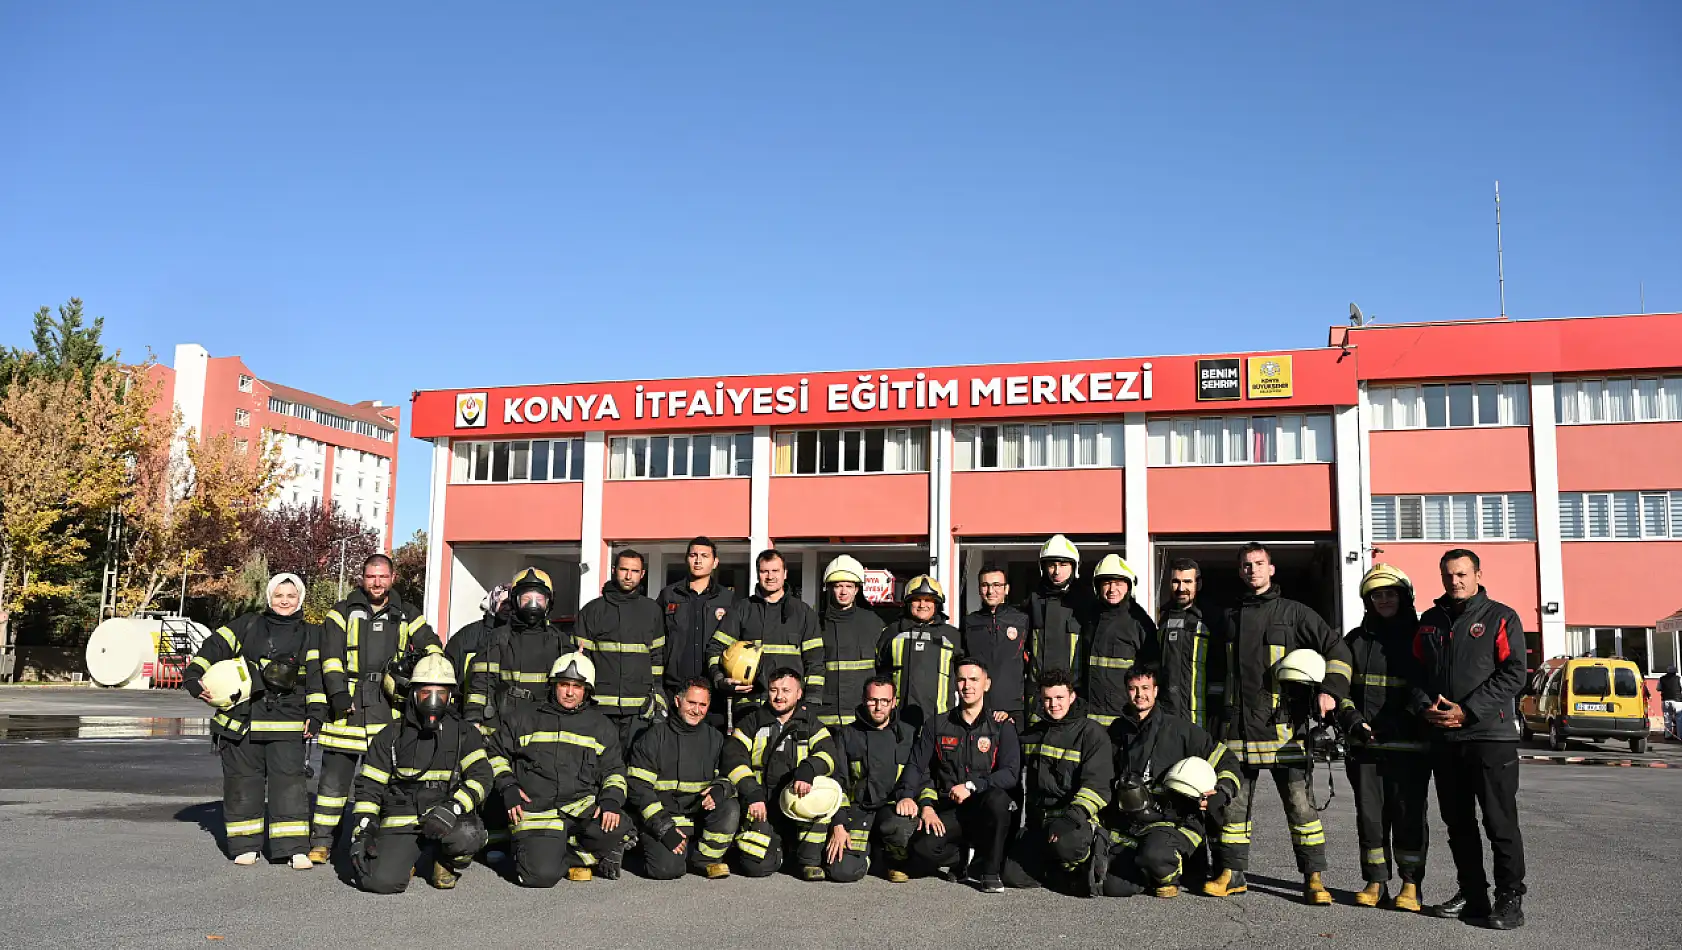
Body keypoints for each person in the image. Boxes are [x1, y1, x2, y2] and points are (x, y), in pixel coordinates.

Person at [1204, 542, 1351, 905]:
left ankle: (1313, 878)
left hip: (1286, 731)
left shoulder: (1296, 614)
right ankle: (1232, 873)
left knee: (1301, 808)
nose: (1252, 570)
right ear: (1240, 571)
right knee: (1234, 808)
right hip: (1237, 732)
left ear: (1272, 569)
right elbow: (1215, 676)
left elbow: (1338, 650)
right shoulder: (1228, 618)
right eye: (1246, 565)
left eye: (1259, 563)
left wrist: (1330, 690)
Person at [1410, 549, 1529, 930]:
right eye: (1448, 575)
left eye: (1462, 574)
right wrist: (1424, 706)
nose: (1455, 581)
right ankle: (1473, 894)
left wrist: (1468, 709)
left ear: (1478, 574)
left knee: (1499, 822)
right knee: (1458, 822)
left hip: (1490, 737)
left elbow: (1514, 674)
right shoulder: (1429, 622)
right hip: (1445, 740)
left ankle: (1510, 899)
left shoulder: (1501, 617)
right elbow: (1415, 674)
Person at [184, 572, 323, 868]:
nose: (284, 601)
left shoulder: (312, 633)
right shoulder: (248, 624)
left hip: (288, 722)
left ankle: (294, 848)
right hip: (243, 721)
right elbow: (214, 646)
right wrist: (194, 676)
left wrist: (316, 713)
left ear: (300, 599)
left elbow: (316, 679)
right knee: (242, 784)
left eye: (290, 596)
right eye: (278, 595)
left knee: (289, 786)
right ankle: (246, 845)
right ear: (269, 597)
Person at [312, 554, 442, 864]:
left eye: (383, 576)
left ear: (393, 578)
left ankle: (380, 840)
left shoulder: (408, 614)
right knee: (333, 782)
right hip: (348, 707)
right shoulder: (340, 612)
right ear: (362, 577)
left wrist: (418, 677)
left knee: (385, 780)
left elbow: (433, 646)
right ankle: (321, 842)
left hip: (389, 706)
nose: (377, 582)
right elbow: (330, 658)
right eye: (371, 576)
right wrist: (339, 694)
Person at [348, 655, 495, 892]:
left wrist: (454, 807)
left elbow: (482, 777)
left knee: (469, 834)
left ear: (451, 696)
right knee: (378, 881)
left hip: (447, 817)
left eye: (441, 693)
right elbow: (369, 787)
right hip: (403, 818)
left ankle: (446, 861)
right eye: (427, 692)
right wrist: (363, 830)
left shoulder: (464, 734)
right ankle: (407, 858)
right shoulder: (391, 735)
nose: (434, 700)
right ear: (414, 693)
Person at [1337, 564, 1432, 912]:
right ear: (1368, 601)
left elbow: (1429, 685)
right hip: (1366, 746)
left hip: (1409, 746)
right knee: (1370, 818)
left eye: (1390, 593)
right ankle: (1375, 881)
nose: (1384, 600)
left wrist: (1401, 720)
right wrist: (1350, 718)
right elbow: (1339, 687)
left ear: (1404, 596)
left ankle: (1410, 886)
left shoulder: (1423, 637)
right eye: (1377, 595)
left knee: (1409, 816)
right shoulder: (1355, 641)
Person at [492, 652, 631, 885]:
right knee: (540, 877)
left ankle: (569, 853)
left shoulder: (601, 726)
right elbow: (494, 754)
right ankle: (544, 853)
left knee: (620, 826)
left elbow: (614, 770)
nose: (569, 692)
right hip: (538, 810)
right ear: (553, 685)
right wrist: (508, 787)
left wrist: (611, 800)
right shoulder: (524, 719)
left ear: (587, 690)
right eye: (564, 684)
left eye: (577, 686)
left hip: (579, 807)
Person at [1102, 664, 1240, 898]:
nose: (1139, 695)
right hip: (1130, 821)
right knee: (1109, 882)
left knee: (1154, 857)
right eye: (1133, 689)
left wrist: (1222, 791)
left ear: (1156, 691)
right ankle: (1150, 868)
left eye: (1145, 688)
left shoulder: (1179, 729)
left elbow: (1225, 758)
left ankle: (1176, 868)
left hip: (1175, 820)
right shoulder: (1117, 731)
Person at [468, 567, 573, 856]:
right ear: (515, 600)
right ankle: (498, 839)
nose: (533, 604)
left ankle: (532, 839)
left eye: (539, 598)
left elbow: (569, 689)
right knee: (498, 778)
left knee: (536, 779)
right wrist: (475, 719)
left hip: (543, 722)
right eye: (527, 597)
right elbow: (481, 681)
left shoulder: (561, 641)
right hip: (504, 718)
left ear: (549, 602)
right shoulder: (498, 638)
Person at [905, 658, 1020, 893]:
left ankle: (990, 872)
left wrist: (972, 785)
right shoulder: (937, 724)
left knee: (1000, 800)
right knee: (921, 848)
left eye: (974, 680)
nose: (967, 686)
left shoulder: (1001, 726)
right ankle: (961, 857)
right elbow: (916, 766)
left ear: (986, 684)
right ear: (955, 684)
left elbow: (1010, 774)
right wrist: (917, 801)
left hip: (985, 809)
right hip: (950, 809)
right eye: (961, 679)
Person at [719, 668, 842, 879]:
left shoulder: (810, 723)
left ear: (799, 693)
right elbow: (733, 758)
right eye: (774, 690)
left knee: (821, 799)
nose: (779, 696)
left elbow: (829, 754)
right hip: (762, 804)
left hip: (797, 800)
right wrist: (752, 794)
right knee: (756, 867)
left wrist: (808, 770)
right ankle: (779, 853)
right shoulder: (752, 721)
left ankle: (808, 861)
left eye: (786, 690)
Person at [1003, 670, 1114, 894]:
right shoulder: (1035, 733)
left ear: (1072, 697)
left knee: (1067, 845)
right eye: (1048, 699)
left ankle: (1084, 859)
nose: (1054, 705)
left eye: (1060, 698)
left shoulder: (1091, 733)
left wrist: (1071, 818)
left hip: (1074, 821)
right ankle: (1060, 875)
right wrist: (1002, 724)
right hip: (1040, 823)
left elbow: (1098, 785)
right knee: (1011, 875)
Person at [626, 677, 738, 880]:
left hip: (698, 817)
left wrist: (720, 788)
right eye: (691, 703)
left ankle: (703, 860)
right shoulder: (654, 737)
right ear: (678, 701)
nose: (697, 710)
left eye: (702, 705)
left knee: (730, 808)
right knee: (667, 870)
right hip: (663, 818)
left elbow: (731, 775)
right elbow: (638, 789)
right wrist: (664, 829)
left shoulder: (715, 739)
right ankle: (640, 847)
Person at [709, 549, 822, 724]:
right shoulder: (742, 609)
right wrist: (720, 679)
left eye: (775, 571)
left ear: (784, 574)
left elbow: (815, 662)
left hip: (791, 710)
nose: (770, 576)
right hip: (749, 707)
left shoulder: (803, 613)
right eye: (764, 571)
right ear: (758, 574)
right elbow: (715, 649)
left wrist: (811, 702)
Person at [825, 676, 919, 883]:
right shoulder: (847, 735)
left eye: (885, 701)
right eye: (872, 700)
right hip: (858, 812)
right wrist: (838, 824)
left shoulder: (908, 735)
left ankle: (893, 860)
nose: (878, 707)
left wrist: (923, 804)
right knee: (842, 872)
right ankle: (871, 858)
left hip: (891, 810)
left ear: (894, 702)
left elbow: (922, 776)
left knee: (900, 826)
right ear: (863, 699)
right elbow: (836, 782)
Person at [575, 549, 667, 749]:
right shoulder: (593, 610)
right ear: (614, 570)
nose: (628, 576)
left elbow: (657, 658)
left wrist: (657, 694)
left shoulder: (652, 611)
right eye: (624, 569)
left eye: (634, 571)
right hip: (600, 706)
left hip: (639, 708)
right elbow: (581, 661)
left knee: (634, 763)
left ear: (642, 574)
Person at [658, 537, 737, 716]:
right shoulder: (669, 595)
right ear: (686, 559)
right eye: (693, 555)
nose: (698, 560)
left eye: (704, 556)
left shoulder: (727, 598)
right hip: (675, 688)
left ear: (715, 562)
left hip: (713, 689)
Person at [1082, 555, 1157, 728]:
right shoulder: (1089, 619)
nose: (1111, 589)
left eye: (1118, 583)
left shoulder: (1140, 622)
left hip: (1125, 717)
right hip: (1090, 717)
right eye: (1106, 583)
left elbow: (1152, 670)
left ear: (1129, 586)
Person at [877, 575, 961, 729]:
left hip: (942, 721)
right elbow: (880, 673)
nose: (922, 604)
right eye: (917, 599)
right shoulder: (892, 632)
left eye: (929, 599)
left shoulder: (952, 635)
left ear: (937, 603)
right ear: (908, 603)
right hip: (898, 720)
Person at [814, 555, 885, 728]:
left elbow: (885, 667)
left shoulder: (873, 622)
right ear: (829, 589)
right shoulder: (815, 623)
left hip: (862, 716)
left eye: (849, 586)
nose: (843, 592)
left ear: (857, 589)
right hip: (824, 717)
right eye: (838, 586)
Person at [1155, 558, 1226, 732]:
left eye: (1187, 582)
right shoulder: (1163, 618)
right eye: (1175, 582)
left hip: (1204, 716)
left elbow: (1221, 667)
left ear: (1198, 584)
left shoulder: (1213, 618)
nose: (1181, 588)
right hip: (1168, 714)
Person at [960, 564, 1031, 728]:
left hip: (1013, 710)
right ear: (979, 589)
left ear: (1007, 589)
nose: (991, 591)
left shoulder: (1022, 620)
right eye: (985, 585)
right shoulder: (969, 622)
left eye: (997, 585)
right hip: (977, 708)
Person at [1026, 535, 1091, 704]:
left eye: (1063, 565)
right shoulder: (1032, 600)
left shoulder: (1086, 601)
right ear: (1043, 567)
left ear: (1074, 567)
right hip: (1039, 694)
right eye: (1051, 565)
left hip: (1074, 694)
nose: (1056, 571)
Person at [446, 584, 508, 713]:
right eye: (505, 603)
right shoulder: (465, 637)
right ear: (492, 602)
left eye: (513, 603)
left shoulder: (518, 637)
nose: (509, 608)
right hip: (468, 713)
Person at [1659, 668, 1682, 740]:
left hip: (1666, 701)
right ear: (1675, 672)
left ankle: (1668, 735)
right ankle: (1679, 736)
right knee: (1679, 719)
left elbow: (1658, 688)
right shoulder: (1679, 678)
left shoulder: (1662, 679)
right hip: (1677, 701)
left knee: (1667, 718)